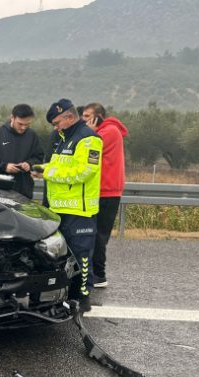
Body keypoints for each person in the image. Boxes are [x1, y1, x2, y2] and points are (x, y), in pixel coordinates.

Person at [38, 99, 103, 312]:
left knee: (82, 256)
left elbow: (85, 171)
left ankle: (83, 297)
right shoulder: (63, 138)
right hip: (58, 208)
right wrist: (39, 168)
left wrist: (48, 172)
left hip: (79, 210)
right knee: (61, 255)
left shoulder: (89, 139)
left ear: (69, 116)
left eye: (57, 122)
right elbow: (59, 166)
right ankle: (64, 294)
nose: (55, 128)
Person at [82, 103, 128, 288]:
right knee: (94, 233)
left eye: (87, 116)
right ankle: (93, 272)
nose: (83, 120)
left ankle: (99, 275)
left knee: (99, 234)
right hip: (102, 189)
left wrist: (89, 132)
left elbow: (88, 149)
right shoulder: (105, 131)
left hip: (107, 190)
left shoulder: (108, 132)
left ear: (98, 117)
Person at [0, 104, 45, 199]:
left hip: (24, 192)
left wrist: (29, 164)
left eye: (27, 124)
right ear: (12, 117)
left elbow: (39, 157)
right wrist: (4, 166)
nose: (23, 127)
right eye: (20, 124)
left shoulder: (32, 136)